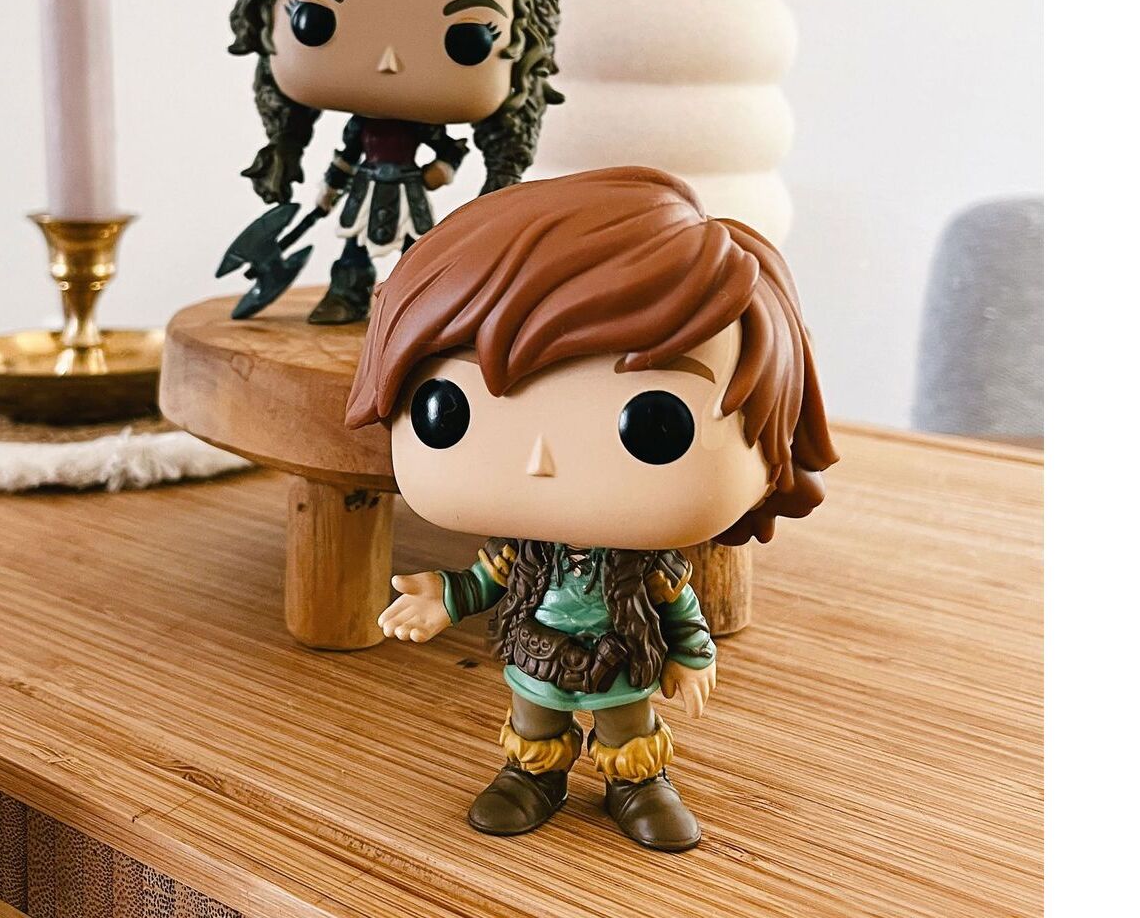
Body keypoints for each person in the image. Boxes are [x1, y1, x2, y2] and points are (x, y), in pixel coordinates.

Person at [346, 167, 837, 851]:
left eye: (656, 424)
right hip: (536, 657)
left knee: (627, 730)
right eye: (447, 409)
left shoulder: (645, 564)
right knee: (535, 724)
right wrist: (445, 597)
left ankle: (637, 784)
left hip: (620, 661)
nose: (540, 460)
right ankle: (531, 776)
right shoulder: (523, 554)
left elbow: (677, 602)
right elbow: (487, 580)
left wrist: (694, 655)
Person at [228, 0, 561, 323]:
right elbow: (347, 156)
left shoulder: (425, 127)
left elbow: (449, 148)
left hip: (409, 188)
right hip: (367, 189)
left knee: (416, 248)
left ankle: (420, 301)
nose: (389, 61)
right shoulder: (362, 128)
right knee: (355, 244)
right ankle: (349, 292)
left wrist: (441, 170)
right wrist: (328, 191)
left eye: (468, 38)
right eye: (315, 22)